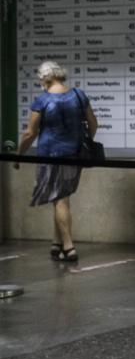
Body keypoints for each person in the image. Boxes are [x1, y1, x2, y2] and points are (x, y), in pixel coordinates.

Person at [15, 60, 97, 263]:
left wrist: (18, 155)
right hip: (75, 155)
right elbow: (93, 124)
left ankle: (69, 247)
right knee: (60, 197)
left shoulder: (42, 101)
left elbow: (29, 134)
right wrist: (85, 142)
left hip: (49, 155)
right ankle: (56, 243)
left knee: (59, 199)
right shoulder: (78, 95)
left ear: (45, 78)